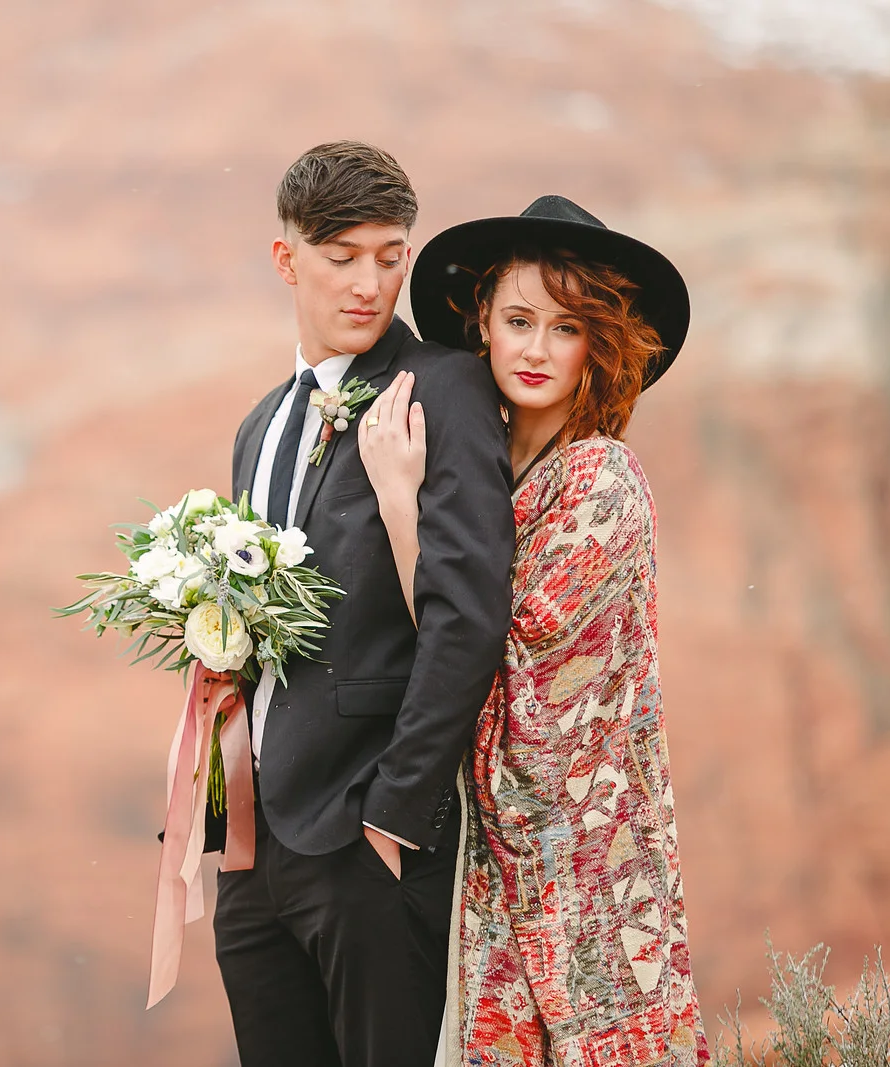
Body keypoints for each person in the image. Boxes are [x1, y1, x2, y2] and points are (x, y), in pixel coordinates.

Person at [358, 195, 708, 1065]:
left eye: (566, 327)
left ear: (598, 344)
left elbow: (487, 653)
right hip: (487, 866)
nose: (537, 349)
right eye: (519, 321)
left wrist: (401, 505)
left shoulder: (601, 481)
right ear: (483, 325)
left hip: (593, 874)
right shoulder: (479, 484)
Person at [211, 141, 514, 1067]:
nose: (369, 285)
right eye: (342, 257)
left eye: (390, 258)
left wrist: (395, 814)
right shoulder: (259, 425)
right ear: (287, 258)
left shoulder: (447, 388)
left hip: (368, 842)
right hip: (254, 858)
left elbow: (469, 614)